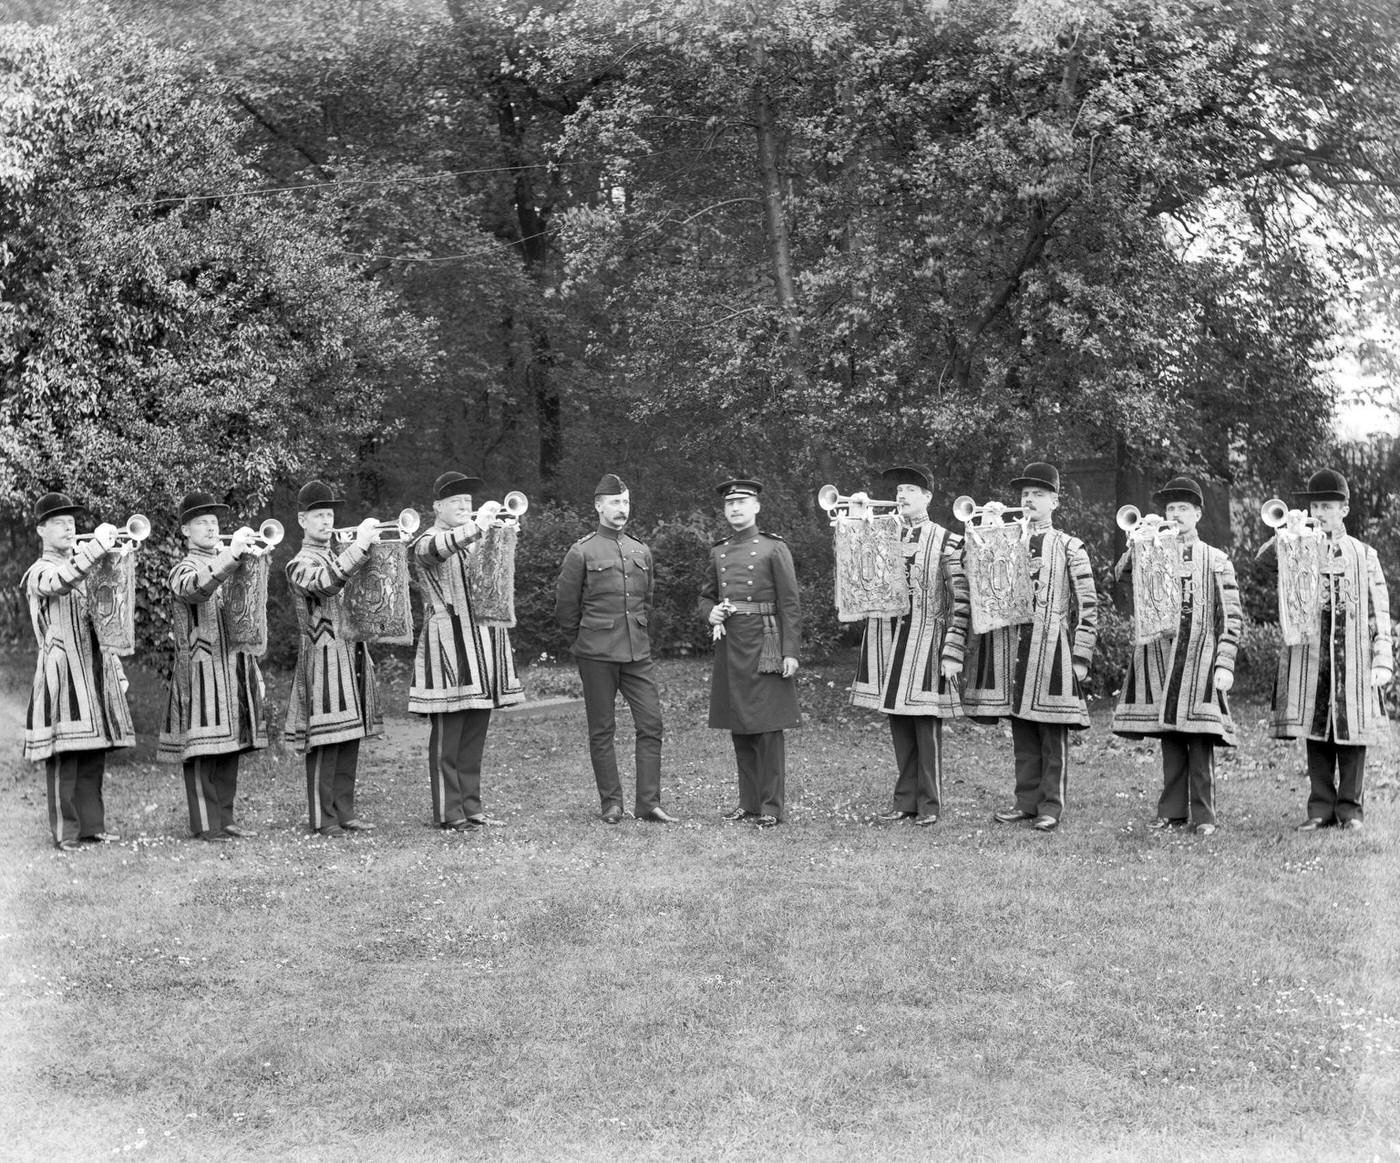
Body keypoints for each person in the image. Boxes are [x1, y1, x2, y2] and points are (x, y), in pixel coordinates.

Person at [964, 461, 1097, 832]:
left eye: (1038, 495)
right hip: (1014, 647)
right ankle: (1026, 801)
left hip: (1053, 649)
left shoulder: (1070, 546)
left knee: (1052, 732)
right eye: (1025, 495)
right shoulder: (1002, 539)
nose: (1029, 501)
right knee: (1021, 729)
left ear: (1054, 501)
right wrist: (985, 531)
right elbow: (973, 574)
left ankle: (1051, 805)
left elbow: (1089, 605)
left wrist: (1082, 655)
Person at [1259, 469, 1392, 831]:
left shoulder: (1364, 554)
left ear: (1344, 510)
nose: (1320, 512)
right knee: (1316, 733)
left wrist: (1383, 658)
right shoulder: (1295, 545)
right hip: (1311, 657)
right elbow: (1263, 564)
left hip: (1353, 659)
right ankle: (1319, 808)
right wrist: (1285, 534)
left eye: (1328, 506)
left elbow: (1378, 609)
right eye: (1315, 505)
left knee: (1352, 736)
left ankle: (1350, 810)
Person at [1111, 477, 1242, 835]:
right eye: (1170, 509)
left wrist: (1225, 662)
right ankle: (1172, 811)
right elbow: (1120, 577)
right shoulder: (1151, 549)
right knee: (1169, 738)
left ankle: (1204, 816)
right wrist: (1136, 542)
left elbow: (1232, 616)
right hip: (1161, 657)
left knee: (1200, 741)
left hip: (1199, 658)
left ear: (1197, 514)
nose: (1176, 514)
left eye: (1183, 508)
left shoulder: (1216, 559)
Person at [849, 464, 970, 826]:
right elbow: (856, 570)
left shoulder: (948, 541)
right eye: (899, 490)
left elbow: (961, 602)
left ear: (928, 498)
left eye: (910, 491)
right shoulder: (882, 535)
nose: (902, 495)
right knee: (899, 724)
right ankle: (904, 800)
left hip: (928, 642)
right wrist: (857, 520)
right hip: (890, 642)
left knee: (925, 726)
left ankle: (929, 804)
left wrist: (953, 651)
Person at [554, 473, 673, 824]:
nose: (622, 509)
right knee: (602, 731)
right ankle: (612, 803)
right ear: (598, 506)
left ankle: (648, 803)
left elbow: (645, 600)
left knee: (651, 724)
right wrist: (583, 639)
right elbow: (565, 607)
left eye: (626, 502)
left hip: (638, 653)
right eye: (616, 502)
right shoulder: (582, 551)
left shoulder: (641, 550)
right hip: (596, 653)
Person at [410, 471, 525, 830]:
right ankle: (448, 811)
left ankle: (471, 807)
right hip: (446, 644)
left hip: (481, 645)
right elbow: (436, 552)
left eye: (468, 502)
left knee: (475, 733)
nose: (463, 506)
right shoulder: (425, 539)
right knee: (448, 737)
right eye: (455, 502)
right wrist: (477, 526)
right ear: (437, 507)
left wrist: (501, 536)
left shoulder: (475, 537)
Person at [22, 492, 136, 851]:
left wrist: (114, 665)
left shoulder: (85, 569)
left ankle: (91, 827)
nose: (69, 527)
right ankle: (66, 832)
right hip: (61, 672)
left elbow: (102, 621)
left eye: (71, 521)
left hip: (92, 670)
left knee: (92, 753)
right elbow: (60, 582)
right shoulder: (38, 572)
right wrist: (94, 550)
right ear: (42, 530)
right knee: (65, 756)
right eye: (59, 522)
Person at [158, 491, 270, 841]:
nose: (210, 528)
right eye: (201, 523)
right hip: (200, 669)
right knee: (203, 748)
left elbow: (246, 614)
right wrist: (232, 554)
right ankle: (205, 823)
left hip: (232, 664)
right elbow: (196, 589)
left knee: (230, 746)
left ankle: (225, 817)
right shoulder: (183, 569)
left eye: (214, 522)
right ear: (185, 531)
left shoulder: (230, 562)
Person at [699, 479, 801, 828]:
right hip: (732, 645)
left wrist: (790, 651)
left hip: (766, 643)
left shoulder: (774, 549)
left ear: (756, 507)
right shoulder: (719, 551)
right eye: (730, 504)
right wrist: (709, 612)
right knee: (740, 725)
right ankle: (749, 802)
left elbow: (790, 604)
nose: (735, 509)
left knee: (768, 729)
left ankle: (772, 806)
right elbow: (705, 595)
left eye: (742, 502)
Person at [285, 481, 384, 838]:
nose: (327, 522)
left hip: (349, 651)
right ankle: (321, 815)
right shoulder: (298, 563)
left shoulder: (337, 552)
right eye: (319, 515)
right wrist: (358, 547)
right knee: (325, 738)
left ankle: (344, 810)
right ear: (302, 520)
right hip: (321, 655)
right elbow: (325, 583)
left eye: (330, 514)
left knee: (348, 737)